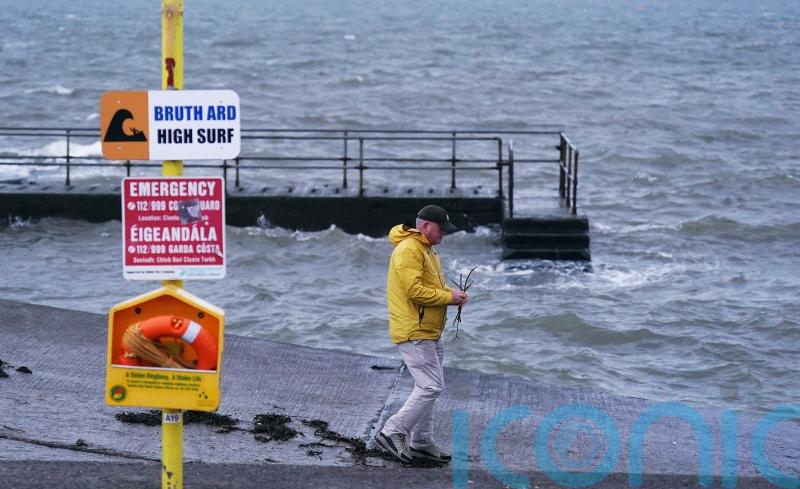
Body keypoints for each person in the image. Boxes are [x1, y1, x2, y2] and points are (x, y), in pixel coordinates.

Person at [375, 205, 469, 464]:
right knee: (430, 386)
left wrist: (452, 293)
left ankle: (421, 441)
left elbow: (430, 287)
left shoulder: (426, 249)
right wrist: (449, 297)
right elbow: (414, 291)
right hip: (414, 330)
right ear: (426, 226)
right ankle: (392, 431)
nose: (444, 235)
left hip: (429, 330)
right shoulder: (408, 250)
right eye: (441, 229)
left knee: (428, 386)